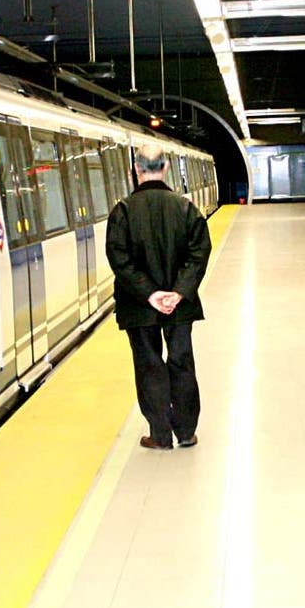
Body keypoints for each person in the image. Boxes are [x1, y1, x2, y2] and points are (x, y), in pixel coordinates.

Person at [105, 144, 212, 450]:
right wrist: (178, 292)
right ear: (165, 168)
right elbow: (199, 252)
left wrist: (150, 294)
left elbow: (119, 258)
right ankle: (187, 431)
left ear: (135, 170)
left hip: (138, 306)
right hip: (180, 306)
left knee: (148, 363)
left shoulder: (122, 211)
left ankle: (160, 434)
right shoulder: (186, 208)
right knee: (181, 361)